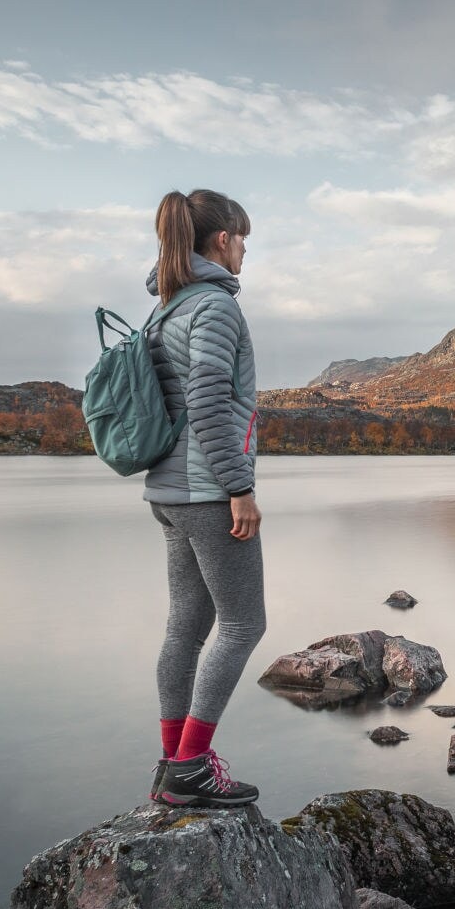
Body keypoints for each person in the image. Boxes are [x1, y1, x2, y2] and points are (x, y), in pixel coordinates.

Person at [143, 189, 264, 809]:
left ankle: (172, 765)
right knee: (244, 624)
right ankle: (191, 764)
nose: (246, 250)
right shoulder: (215, 308)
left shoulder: (166, 308)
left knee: (187, 625)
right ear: (222, 240)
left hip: (168, 490)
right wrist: (239, 488)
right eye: (243, 238)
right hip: (209, 489)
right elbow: (212, 406)